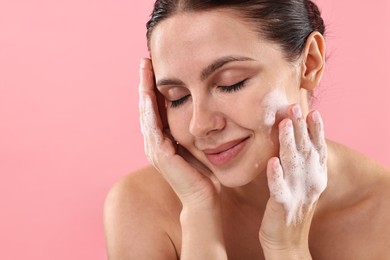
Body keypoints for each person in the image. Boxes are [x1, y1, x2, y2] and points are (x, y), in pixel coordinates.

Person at [104, 0, 390, 259]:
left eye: (231, 83)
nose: (199, 125)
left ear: (310, 63)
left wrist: (286, 249)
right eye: (177, 97)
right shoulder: (140, 207)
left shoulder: (382, 213)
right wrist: (198, 211)